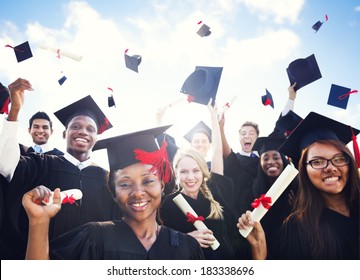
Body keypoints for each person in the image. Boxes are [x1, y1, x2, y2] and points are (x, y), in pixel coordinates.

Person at [23, 126, 204, 260]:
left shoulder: (187, 248)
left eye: (148, 180)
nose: (138, 192)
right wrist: (39, 221)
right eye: (125, 184)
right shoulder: (93, 238)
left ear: (162, 185)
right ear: (114, 192)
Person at [0, 78, 120, 259]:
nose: (83, 132)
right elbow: (5, 165)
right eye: (76, 126)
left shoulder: (108, 179)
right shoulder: (41, 163)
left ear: (96, 138)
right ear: (64, 133)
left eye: (90, 129)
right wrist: (14, 110)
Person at [238, 112, 360, 260]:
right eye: (317, 161)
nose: (330, 167)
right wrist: (260, 251)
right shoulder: (296, 228)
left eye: (339, 158)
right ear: (304, 170)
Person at [160, 101, 239, 259]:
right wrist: (186, 239)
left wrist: (214, 120)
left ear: (204, 172)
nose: (190, 177)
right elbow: (163, 245)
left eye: (196, 171)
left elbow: (217, 153)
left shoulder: (214, 192)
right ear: (176, 173)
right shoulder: (168, 204)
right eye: (183, 172)